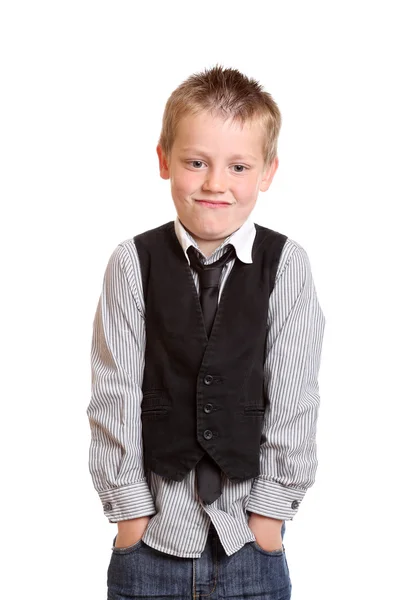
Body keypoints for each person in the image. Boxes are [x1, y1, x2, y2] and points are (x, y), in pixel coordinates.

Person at [87, 64, 326, 599]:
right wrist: (130, 517)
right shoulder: (133, 263)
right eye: (196, 162)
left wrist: (269, 517)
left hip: (248, 544)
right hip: (151, 544)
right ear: (164, 160)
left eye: (238, 166)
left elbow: (294, 396)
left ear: (267, 171)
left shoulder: (285, 265)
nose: (216, 184)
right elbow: (115, 392)